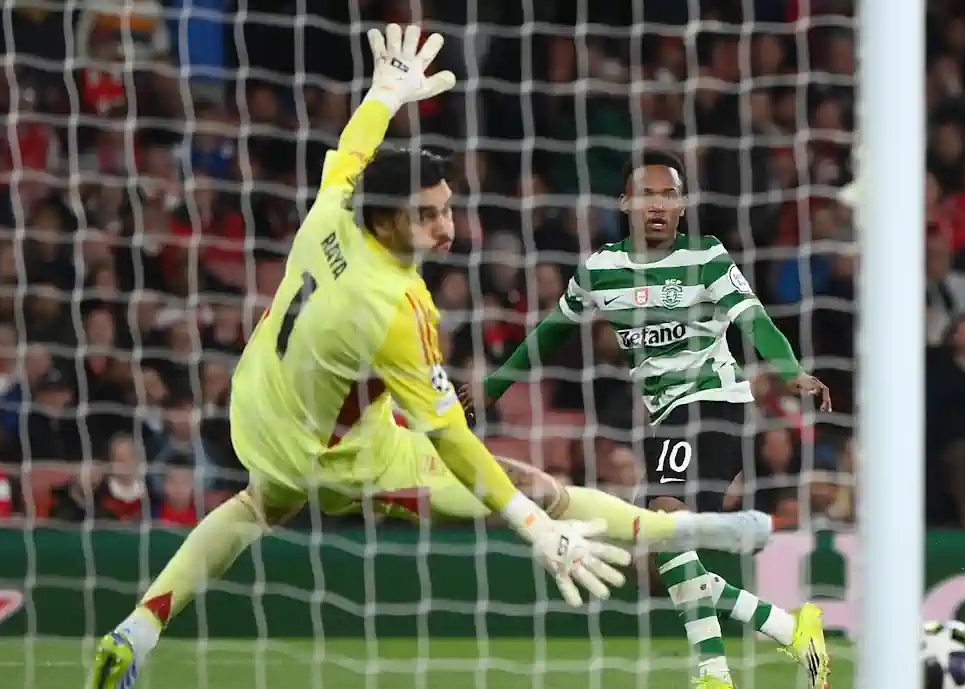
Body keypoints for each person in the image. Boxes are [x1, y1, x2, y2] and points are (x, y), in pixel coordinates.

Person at [87, 25, 771, 689]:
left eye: (447, 208)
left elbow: (353, 146)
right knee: (531, 486)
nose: (449, 228)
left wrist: (385, 92)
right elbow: (453, 440)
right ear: (388, 221)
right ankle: (689, 527)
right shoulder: (396, 308)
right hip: (340, 458)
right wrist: (533, 528)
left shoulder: (335, 207)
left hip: (262, 402)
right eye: (428, 215)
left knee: (255, 505)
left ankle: (138, 627)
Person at [460, 150, 832, 689]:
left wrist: (790, 369)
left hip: (714, 405)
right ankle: (789, 630)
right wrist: (493, 387)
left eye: (668, 195)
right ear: (625, 204)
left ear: (683, 206)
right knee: (661, 551)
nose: (657, 205)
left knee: (665, 521)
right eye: (646, 195)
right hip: (666, 417)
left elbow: (754, 319)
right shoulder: (600, 270)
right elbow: (550, 332)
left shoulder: (706, 256)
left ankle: (714, 675)